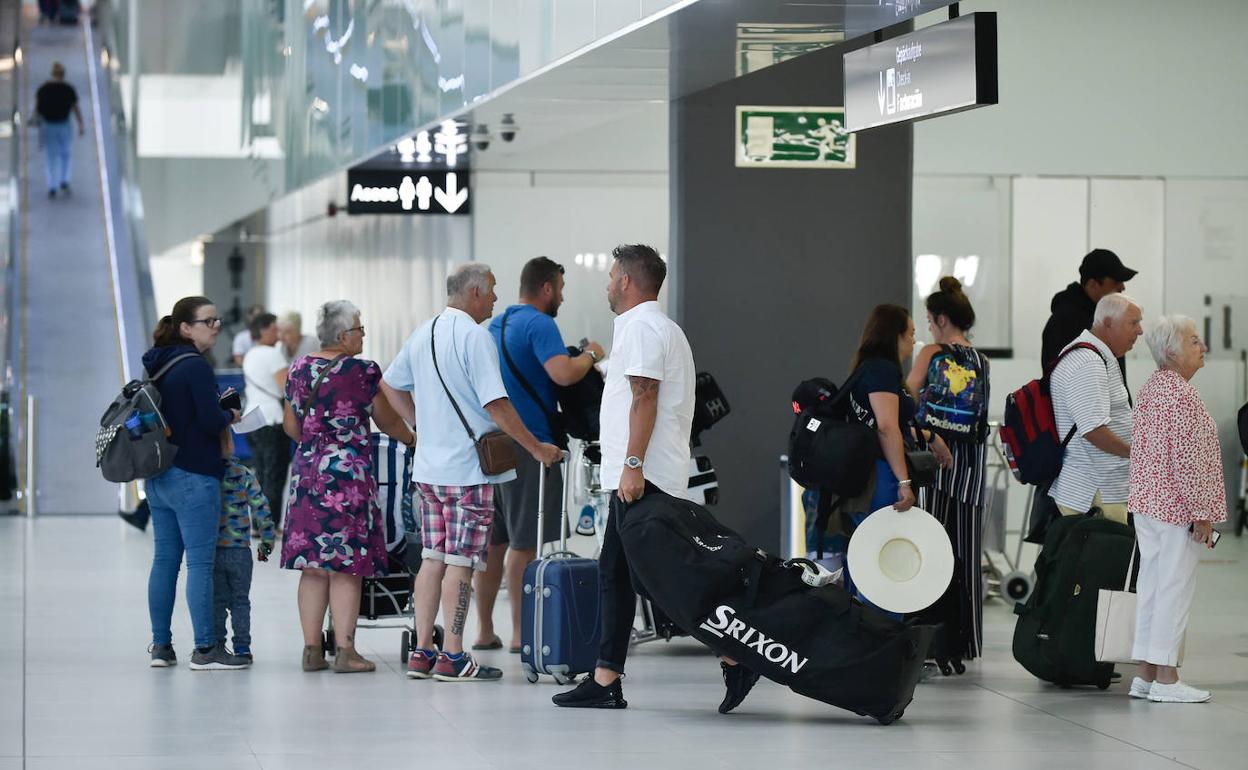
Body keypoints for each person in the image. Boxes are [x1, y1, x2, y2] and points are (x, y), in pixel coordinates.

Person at [553, 245, 744, 712]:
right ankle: (605, 678)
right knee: (615, 573)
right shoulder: (659, 328)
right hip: (644, 475)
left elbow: (645, 398)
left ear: (627, 282)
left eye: (612, 275)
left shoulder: (641, 328)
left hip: (645, 478)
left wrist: (633, 467)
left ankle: (736, 655)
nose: (606, 284)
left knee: (665, 582)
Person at [381, 263, 561, 682]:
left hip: (427, 470)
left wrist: (419, 425)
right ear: (476, 292)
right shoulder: (475, 337)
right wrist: (535, 448)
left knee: (431, 558)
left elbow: (389, 386)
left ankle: (422, 651)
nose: (497, 299)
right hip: (466, 473)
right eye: (493, 290)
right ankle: (454, 655)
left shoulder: (424, 331)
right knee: (461, 563)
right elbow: (496, 405)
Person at [473, 256, 605, 652]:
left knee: (493, 543)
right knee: (524, 543)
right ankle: (520, 633)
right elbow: (562, 373)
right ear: (547, 288)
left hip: (491, 444)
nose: (561, 296)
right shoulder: (540, 323)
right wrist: (592, 354)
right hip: (529, 445)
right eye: (560, 289)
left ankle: (484, 630)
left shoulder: (495, 325)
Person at [281, 300, 416, 674]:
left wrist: (315, 443)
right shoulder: (361, 371)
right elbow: (388, 421)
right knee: (345, 567)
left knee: (313, 567)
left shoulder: (299, 368)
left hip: (308, 476)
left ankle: (311, 651)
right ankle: (345, 651)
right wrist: (412, 439)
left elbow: (290, 427)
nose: (363, 334)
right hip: (347, 480)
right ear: (343, 336)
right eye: (359, 329)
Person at [141, 296, 247, 671]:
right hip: (194, 477)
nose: (215, 326)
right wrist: (230, 412)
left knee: (165, 561)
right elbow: (209, 421)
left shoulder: (158, 363)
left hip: (158, 475)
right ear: (186, 327)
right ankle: (206, 648)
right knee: (200, 564)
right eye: (207, 321)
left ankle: (160, 645)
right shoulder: (195, 367)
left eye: (217, 319)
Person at [1127, 315, 1224, 704]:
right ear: (1170, 351)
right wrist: (1202, 511)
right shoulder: (1181, 395)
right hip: (1175, 509)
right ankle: (1167, 679)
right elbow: (1186, 460)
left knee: (1152, 587)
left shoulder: (1154, 388)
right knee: (1173, 589)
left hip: (1149, 504)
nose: (1202, 347)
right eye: (1194, 341)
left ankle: (1145, 675)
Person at [842, 305, 952, 610]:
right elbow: (887, 428)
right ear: (894, 336)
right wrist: (904, 482)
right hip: (880, 477)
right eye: (911, 333)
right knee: (885, 564)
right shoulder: (881, 370)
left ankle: (867, 639)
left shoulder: (868, 368)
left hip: (867, 475)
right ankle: (881, 640)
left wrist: (930, 437)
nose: (914, 341)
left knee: (869, 557)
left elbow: (891, 425)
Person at [906, 278, 989, 673]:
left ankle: (930, 638)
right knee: (968, 554)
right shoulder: (981, 360)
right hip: (971, 464)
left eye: (929, 319)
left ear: (941, 319)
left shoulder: (931, 353)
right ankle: (967, 640)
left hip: (935, 462)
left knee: (932, 551)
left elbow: (907, 398)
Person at [1048, 294, 1143, 525]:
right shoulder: (1088, 362)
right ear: (1108, 323)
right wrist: (1139, 454)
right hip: (1095, 493)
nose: (1140, 331)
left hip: (1101, 490)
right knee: (1104, 561)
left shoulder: (1094, 356)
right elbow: (1093, 431)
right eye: (1134, 323)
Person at [214, 431, 275, 664]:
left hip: (214, 551)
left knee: (216, 601)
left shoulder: (207, 476)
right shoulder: (244, 474)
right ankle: (242, 648)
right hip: (240, 550)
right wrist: (267, 541)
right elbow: (261, 507)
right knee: (240, 601)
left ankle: (218, 645)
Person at [1041, 249, 1137, 370]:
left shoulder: (1105, 317)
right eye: (1116, 281)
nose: (1122, 287)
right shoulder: (1064, 322)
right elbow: (1063, 380)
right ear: (1093, 284)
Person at [241, 312, 292, 528]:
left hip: (252, 417)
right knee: (275, 473)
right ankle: (268, 525)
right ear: (263, 331)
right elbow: (286, 387)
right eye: (274, 328)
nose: (278, 332)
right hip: (272, 418)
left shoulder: (250, 354)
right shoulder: (273, 355)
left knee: (260, 473)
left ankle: (257, 523)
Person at [34, 62, 84, 199]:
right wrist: (80, 124)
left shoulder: (43, 89)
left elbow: (38, 110)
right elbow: (75, 108)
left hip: (49, 125)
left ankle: (52, 186)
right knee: (66, 154)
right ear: (63, 74)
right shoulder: (68, 89)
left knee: (51, 156)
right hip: (64, 124)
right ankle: (64, 181)